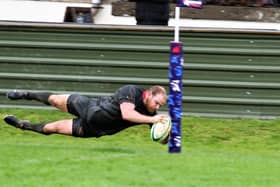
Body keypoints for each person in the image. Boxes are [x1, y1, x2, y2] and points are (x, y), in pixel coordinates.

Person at [3, 85, 169, 143]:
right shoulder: (131, 91)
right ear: (148, 94)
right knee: (54, 99)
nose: (157, 107)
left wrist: (168, 129)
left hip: (92, 128)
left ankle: (22, 125)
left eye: (160, 105)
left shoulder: (150, 114)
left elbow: (160, 139)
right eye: (157, 102)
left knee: (52, 128)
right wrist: (153, 119)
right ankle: (25, 94)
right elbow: (127, 114)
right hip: (89, 107)